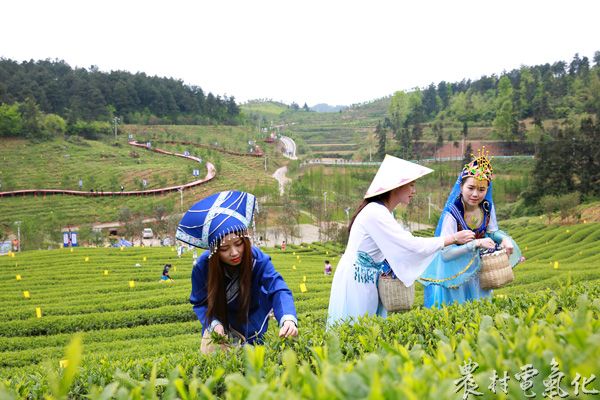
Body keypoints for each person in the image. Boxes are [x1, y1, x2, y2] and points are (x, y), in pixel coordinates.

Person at [327, 155, 475, 327]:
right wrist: (452, 238)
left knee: (366, 330)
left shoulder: (382, 212)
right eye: (411, 185)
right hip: (358, 281)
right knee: (355, 329)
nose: (414, 190)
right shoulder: (375, 212)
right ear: (396, 185)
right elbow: (410, 245)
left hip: (366, 279)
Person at [176, 190, 298, 354]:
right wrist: (214, 324)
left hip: (252, 323)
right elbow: (200, 302)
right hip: (220, 330)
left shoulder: (257, 259)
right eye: (224, 248)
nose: (234, 253)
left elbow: (278, 288)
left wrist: (287, 318)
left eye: (239, 244)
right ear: (214, 250)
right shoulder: (203, 267)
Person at [419, 148, 522, 308]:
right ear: (461, 187)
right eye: (471, 188)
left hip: (476, 270)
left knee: (478, 311)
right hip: (453, 273)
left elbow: (493, 231)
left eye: (481, 189)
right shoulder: (452, 214)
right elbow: (446, 254)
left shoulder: (487, 207)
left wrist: (505, 239)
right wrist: (475, 244)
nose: (475, 194)